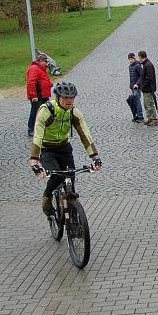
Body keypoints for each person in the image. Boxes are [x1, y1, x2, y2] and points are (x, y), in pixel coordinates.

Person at [30, 81, 102, 215]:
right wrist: (34, 161)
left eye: (72, 98)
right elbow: (37, 136)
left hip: (64, 148)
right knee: (56, 176)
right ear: (57, 97)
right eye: (65, 98)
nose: (69, 101)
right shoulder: (46, 110)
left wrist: (95, 156)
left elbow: (85, 135)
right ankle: (47, 197)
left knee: (70, 182)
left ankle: (74, 220)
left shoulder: (74, 112)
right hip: (47, 149)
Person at [26, 53, 53, 137]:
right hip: (38, 95)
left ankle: (44, 126)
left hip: (43, 95)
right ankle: (31, 129)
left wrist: (50, 84)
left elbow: (43, 79)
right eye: (45, 61)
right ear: (40, 61)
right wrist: (34, 96)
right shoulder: (34, 68)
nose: (46, 63)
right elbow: (31, 82)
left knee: (45, 111)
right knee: (35, 112)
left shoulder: (41, 68)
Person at [135, 51, 158, 126]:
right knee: (146, 104)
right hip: (145, 89)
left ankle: (154, 119)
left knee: (150, 104)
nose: (139, 58)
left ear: (141, 57)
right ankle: (150, 118)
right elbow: (142, 77)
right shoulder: (145, 64)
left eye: (139, 57)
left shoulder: (148, 65)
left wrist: (143, 85)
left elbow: (149, 78)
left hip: (148, 89)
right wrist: (139, 84)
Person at [127, 53, 144, 123]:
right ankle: (136, 116)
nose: (130, 60)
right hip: (132, 87)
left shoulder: (137, 66)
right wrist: (131, 85)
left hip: (137, 87)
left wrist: (137, 84)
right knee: (134, 101)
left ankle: (140, 116)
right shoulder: (130, 66)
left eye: (131, 59)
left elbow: (142, 76)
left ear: (134, 58)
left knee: (137, 101)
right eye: (129, 59)